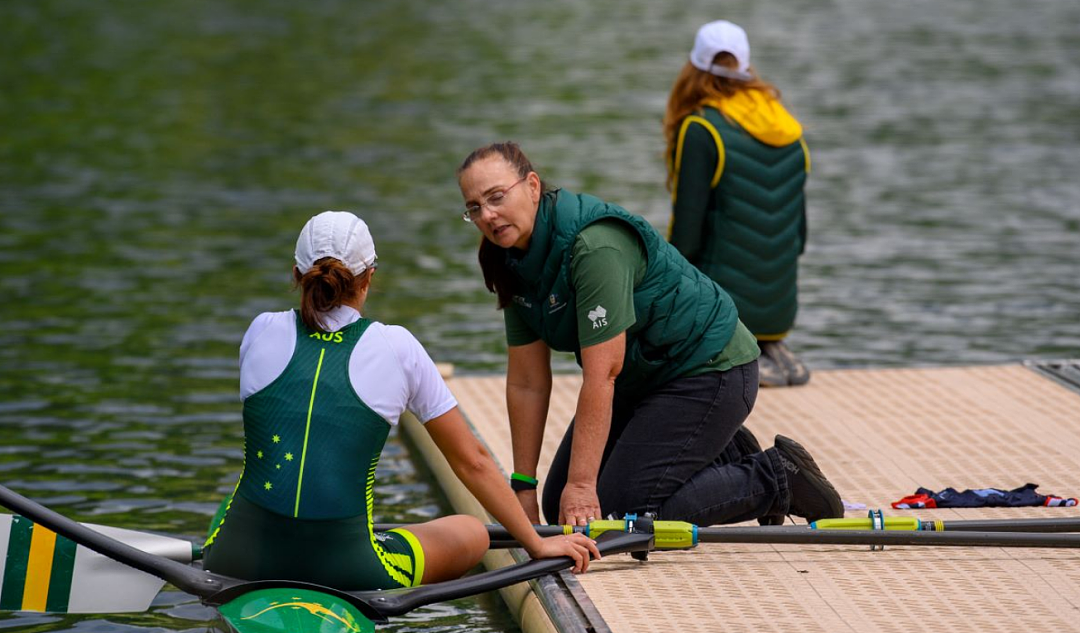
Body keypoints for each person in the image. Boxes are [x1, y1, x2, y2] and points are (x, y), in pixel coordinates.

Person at [203, 211, 599, 590]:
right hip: (349, 566)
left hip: (238, 556)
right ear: (369, 278)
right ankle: (357, 542)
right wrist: (537, 543)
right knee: (473, 531)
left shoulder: (260, 330)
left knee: (245, 488)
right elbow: (472, 461)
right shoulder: (397, 347)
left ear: (296, 275)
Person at [456, 142, 842, 530]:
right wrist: (523, 489)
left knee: (616, 515)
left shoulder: (594, 246)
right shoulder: (509, 260)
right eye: (475, 207)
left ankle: (776, 478)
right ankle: (724, 453)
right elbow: (527, 383)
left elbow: (602, 374)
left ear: (533, 186)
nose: (488, 215)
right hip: (643, 380)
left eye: (497, 197)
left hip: (711, 370)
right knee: (559, 502)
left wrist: (584, 484)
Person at [663, 20, 811, 387]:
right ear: (747, 67)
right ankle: (771, 347)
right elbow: (801, 237)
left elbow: (686, 241)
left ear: (693, 68)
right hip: (780, 310)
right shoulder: (788, 126)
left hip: (723, 312)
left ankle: (735, 350)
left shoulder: (701, 128)